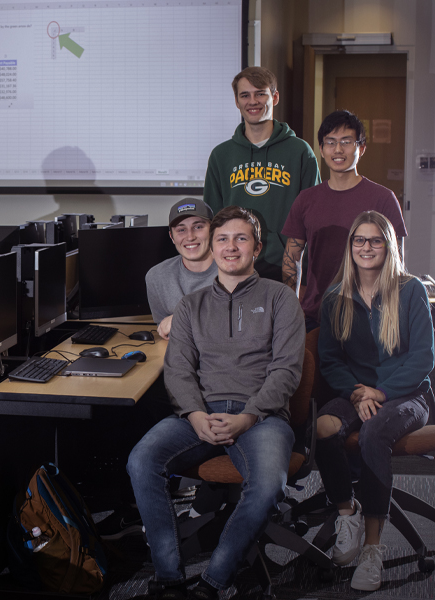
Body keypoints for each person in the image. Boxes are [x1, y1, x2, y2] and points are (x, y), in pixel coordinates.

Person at [127, 206, 304, 600]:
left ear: (256, 248)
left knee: (267, 485)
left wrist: (247, 416)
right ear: (213, 244)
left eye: (241, 239)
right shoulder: (191, 305)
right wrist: (194, 413)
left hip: (262, 417)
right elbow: (178, 370)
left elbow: (287, 372)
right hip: (200, 414)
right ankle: (170, 579)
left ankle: (212, 582)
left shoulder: (280, 299)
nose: (230, 247)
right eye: (222, 239)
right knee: (141, 460)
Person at [315, 211, 433, 592]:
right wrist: (356, 391)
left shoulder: (410, 289)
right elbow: (331, 360)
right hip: (356, 392)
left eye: (375, 240)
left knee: (374, 433)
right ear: (351, 247)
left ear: (389, 245)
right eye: (359, 240)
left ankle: (372, 547)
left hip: (407, 394)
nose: (367, 247)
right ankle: (347, 511)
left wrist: (379, 393)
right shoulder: (335, 296)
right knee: (322, 428)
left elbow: (422, 358)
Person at [282, 110, 406, 331]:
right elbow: (292, 257)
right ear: (321, 149)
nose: (337, 150)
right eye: (330, 142)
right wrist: (291, 306)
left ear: (362, 147)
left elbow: (397, 261)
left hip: (370, 316)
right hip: (315, 316)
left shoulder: (383, 198)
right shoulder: (306, 199)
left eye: (346, 142)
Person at [203, 66, 320, 281]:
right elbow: (213, 217)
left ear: (274, 97)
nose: (252, 101)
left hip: (284, 264)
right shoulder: (221, 155)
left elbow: (313, 218)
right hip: (235, 262)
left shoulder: (300, 152)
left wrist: (306, 273)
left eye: (260, 94)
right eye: (245, 95)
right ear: (237, 102)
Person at [145, 198, 217, 340]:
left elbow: (239, 324)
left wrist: (181, 319)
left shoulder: (235, 271)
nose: (190, 236)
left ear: (213, 230)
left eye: (198, 227)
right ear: (172, 236)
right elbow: (166, 330)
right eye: (181, 230)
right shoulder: (157, 276)